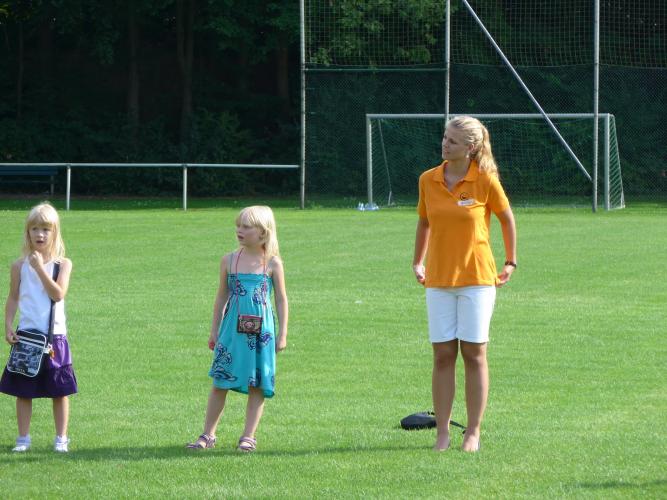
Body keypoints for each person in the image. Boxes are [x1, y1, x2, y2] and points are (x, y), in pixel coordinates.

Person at [413, 116, 517, 452]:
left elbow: (506, 218)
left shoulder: (485, 179)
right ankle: (442, 432)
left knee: (474, 353)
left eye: (453, 141)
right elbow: (424, 222)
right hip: (439, 279)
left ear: (470, 147)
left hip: (477, 279)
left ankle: (473, 431)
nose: (445, 144)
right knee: (443, 355)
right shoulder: (428, 179)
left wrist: (510, 261)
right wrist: (418, 261)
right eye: (445, 138)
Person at [187, 205, 288, 452]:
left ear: (263, 232)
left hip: (262, 333)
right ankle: (208, 435)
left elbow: (281, 299)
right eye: (238, 226)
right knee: (220, 380)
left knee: (257, 383)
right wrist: (214, 330)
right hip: (232, 330)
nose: (239, 230)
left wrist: (283, 333)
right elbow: (221, 296)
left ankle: (248, 436)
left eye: (246, 227)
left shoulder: (273, 263)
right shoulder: (229, 260)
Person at [1, 202, 77, 453]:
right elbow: (13, 297)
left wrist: (39, 268)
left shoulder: (62, 264)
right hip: (27, 337)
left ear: (55, 232)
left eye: (46, 229)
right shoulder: (18, 266)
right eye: (34, 228)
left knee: (59, 391)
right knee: (23, 391)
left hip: (55, 338)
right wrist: (8, 325)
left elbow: (58, 294)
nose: (40, 234)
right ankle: (23, 439)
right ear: (28, 232)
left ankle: (61, 439)